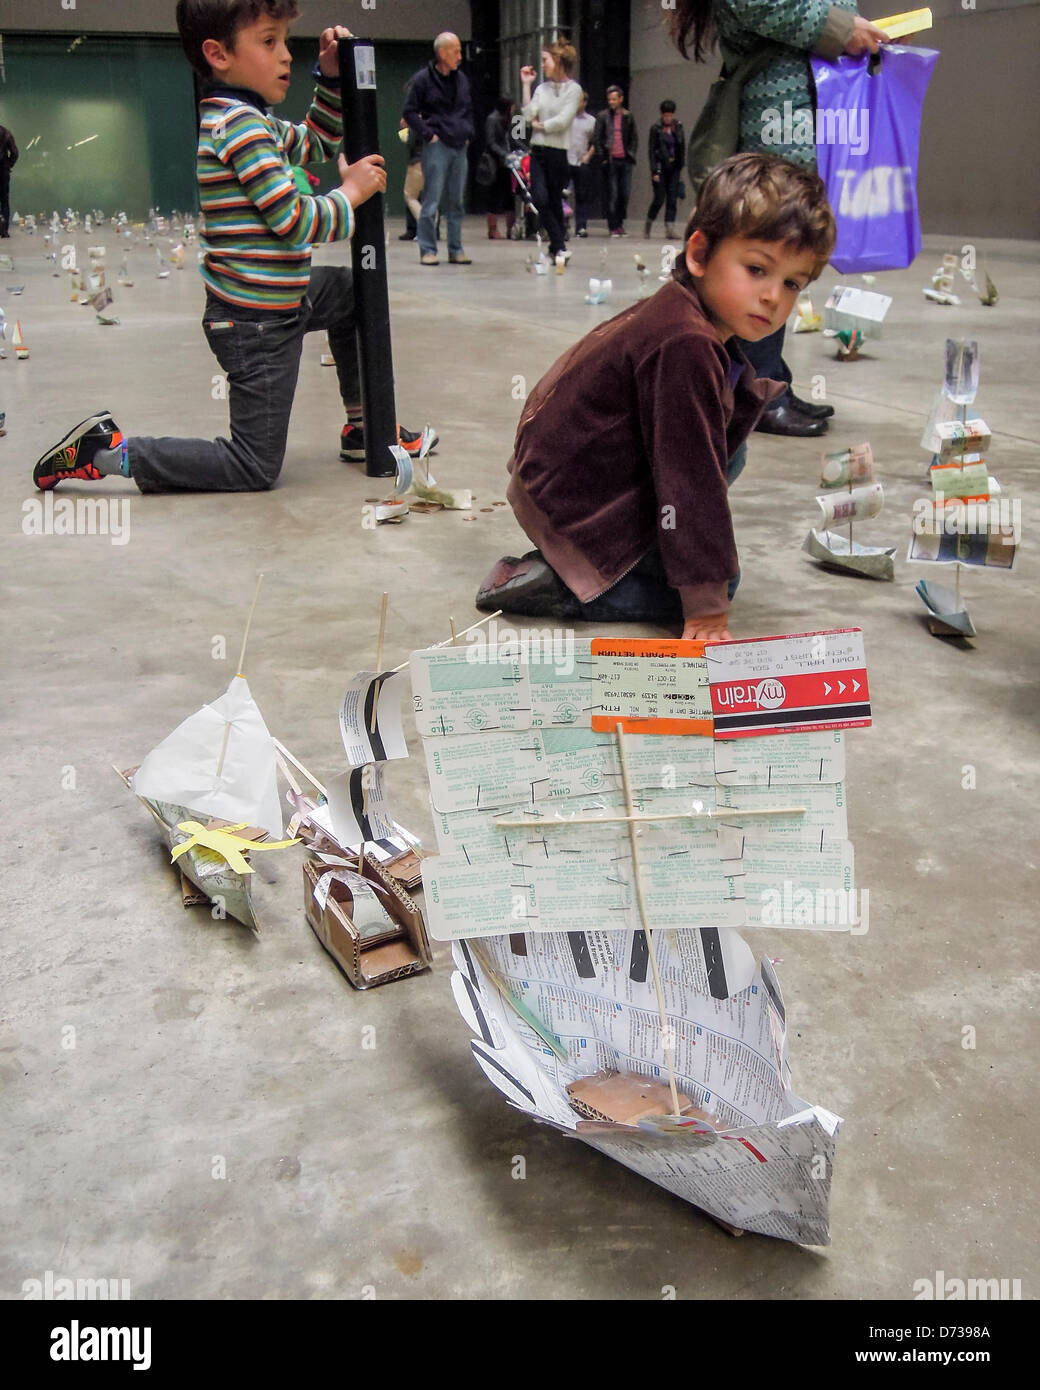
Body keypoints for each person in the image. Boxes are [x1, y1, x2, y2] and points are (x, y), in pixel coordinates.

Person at [32, 1, 436, 494]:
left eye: (286, 40)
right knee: (253, 466)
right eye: (269, 42)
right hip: (255, 325)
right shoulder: (240, 128)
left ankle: (361, 425)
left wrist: (329, 79)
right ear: (218, 54)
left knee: (354, 293)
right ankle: (108, 453)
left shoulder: (251, 119)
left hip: (283, 297)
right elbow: (295, 221)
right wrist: (351, 192)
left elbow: (316, 142)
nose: (286, 55)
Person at [475, 154, 835, 641]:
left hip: (557, 479)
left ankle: (598, 561)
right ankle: (567, 587)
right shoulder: (685, 344)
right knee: (723, 583)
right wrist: (706, 606)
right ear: (700, 254)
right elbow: (691, 481)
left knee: (732, 445)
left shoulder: (680, 311)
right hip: (570, 501)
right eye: (756, 269)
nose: (773, 296)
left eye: (792, 283)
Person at [669, 0, 890, 436]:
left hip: (800, 113)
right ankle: (756, 390)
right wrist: (842, 28)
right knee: (772, 251)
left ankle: (767, 382)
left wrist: (860, 33)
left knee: (780, 258)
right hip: (778, 116)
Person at [404, 32, 474, 266]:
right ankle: (427, 249)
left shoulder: (462, 79)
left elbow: (468, 109)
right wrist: (428, 134)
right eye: (455, 51)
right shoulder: (422, 79)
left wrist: (468, 133)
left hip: (459, 146)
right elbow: (409, 112)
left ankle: (456, 249)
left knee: (456, 202)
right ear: (442, 53)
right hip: (437, 146)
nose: (460, 56)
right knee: (431, 200)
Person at [520, 41, 582, 262]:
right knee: (539, 198)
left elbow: (564, 121)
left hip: (559, 154)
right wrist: (527, 85)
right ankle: (559, 245)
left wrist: (541, 126)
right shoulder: (541, 88)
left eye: (545, 59)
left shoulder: (574, 90)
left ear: (558, 60)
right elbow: (527, 115)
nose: (542, 64)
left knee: (555, 201)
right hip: (538, 152)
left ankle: (556, 250)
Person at [594, 86, 637, 236]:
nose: (611, 102)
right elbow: (598, 138)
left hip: (625, 160)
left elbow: (633, 138)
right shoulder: (602, 116)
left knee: (624, 194)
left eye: (614, 99)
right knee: (612, 194)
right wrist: (602, 157)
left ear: (621, 99)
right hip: (610, 161)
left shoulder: (628, 116)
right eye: (609, 99)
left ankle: (620, 223)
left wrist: (631, 154)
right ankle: (613, 226)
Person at [644, 100, 685, 239]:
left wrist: (681, 165)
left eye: (670, 115)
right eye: (666, 115)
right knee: (659, 197)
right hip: (661, 166)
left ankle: (669, 228)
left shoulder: (678, 126)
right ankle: (649, 222)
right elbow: (651, 150)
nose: (668, 118)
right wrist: (654, 170)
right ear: (662, 115)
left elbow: (682, 146)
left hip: (674, 167)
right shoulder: (655, 128)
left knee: (672, 198)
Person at [483, 97, 519, 239]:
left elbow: (514, 139)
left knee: (510, 195)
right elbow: (491, 142)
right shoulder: (492, 119)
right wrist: (505, 154)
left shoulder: (513, 119)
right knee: (495, 195)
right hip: (496, 163)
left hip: (509, 164)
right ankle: (492, 229)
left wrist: (524, 150)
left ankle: (511, 228)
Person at [567, 91, 597, 237]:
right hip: (565, 160)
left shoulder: (591, 121)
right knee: (561, 194)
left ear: (584, 102)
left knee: (582, 195)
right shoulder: (566, 118)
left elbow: (595, 141)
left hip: (581, 161)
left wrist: (588, 156)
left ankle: (581, 226)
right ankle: (562, 224)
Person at [398, 115, 423, 241]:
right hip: (433, 163)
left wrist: (404, 130)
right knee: (430, 198)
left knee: (410, 196)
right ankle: (432, 230)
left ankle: (424, 228)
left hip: (417, 162)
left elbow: (411, 142)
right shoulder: (435, 118)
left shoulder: (415, 121)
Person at [0, 123, 17, 239]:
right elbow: (15, 153)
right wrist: (8, 165)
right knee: (4, 202)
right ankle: (4, 231)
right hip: (2, 171)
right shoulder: (6, 133)